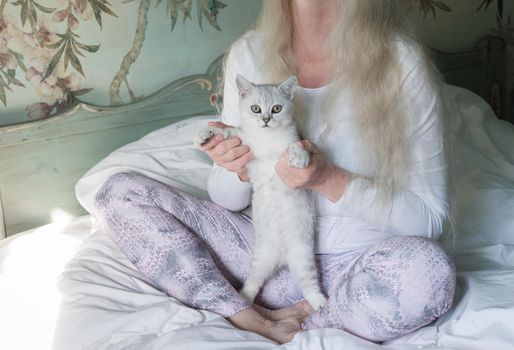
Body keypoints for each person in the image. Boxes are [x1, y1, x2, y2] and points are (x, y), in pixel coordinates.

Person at [93, 0, 456, 344]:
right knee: (118, 193)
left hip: (357, 269)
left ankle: (309, 320)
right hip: (258, 252)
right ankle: (241, 313)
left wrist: (327, 179)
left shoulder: (401, 62)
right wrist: (235, 168)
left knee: (429, 273)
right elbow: (227, 200)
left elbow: (430, 221)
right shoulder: (249, 53)